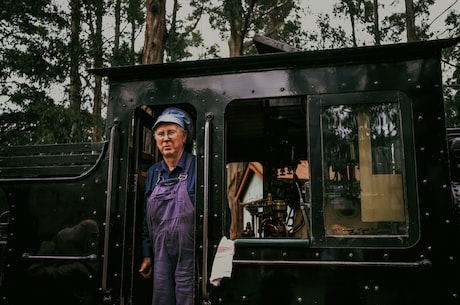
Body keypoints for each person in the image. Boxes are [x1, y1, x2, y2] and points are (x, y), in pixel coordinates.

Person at [139, 107, 196, 305]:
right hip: (160, 252)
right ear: (155, 139)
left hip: (191, 254)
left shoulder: (200, 167)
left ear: (184, 136)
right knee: (161, 299)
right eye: (160, 134)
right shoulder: (153, 173)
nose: (166, 139)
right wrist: (147, 254)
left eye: (171, 132)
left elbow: (221, 214)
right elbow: (146, 219)